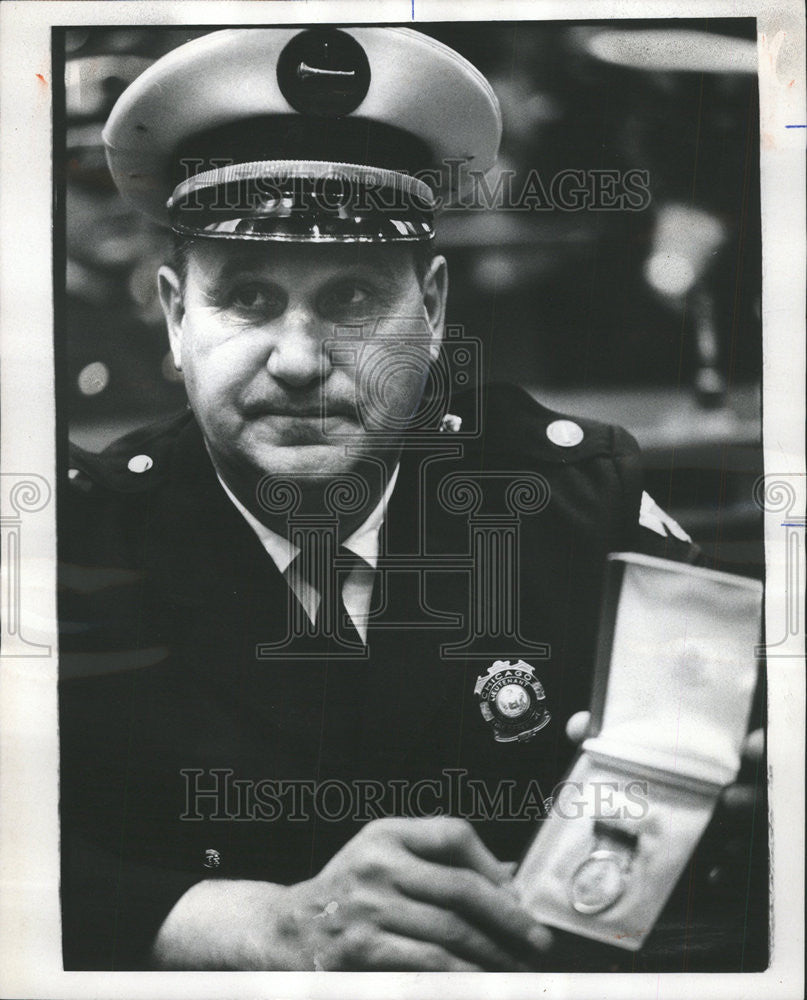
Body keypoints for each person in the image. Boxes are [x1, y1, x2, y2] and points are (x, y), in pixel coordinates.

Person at [58, 25, 765, 972]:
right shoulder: (85, 543)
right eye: (250, 300)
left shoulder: (572, 503)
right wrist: (246, 923)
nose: (301, 361)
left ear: (430, 314)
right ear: (178, 317)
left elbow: (729, 797)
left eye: (353, 302)